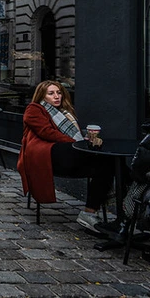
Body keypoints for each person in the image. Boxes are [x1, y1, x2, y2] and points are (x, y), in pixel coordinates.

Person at [17, 80, 114, 232]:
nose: (56, 96)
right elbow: (47, 133)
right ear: (42, 96)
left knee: (106, 163)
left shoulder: (65, 113)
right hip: (47, 156)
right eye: (51, 93)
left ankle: (90, 213)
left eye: (59, 92)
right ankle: (133, 191)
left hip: (68, 154)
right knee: (102, 159)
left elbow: (75, 136)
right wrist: (78, 144)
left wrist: (88, 139)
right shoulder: (34, 109)